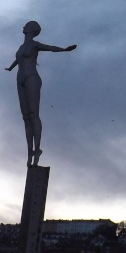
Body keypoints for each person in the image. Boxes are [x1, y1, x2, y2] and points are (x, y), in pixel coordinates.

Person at [5, 21, 76, 166]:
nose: (23, 27)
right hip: (20, 79)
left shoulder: (35, 45)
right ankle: (29, 151)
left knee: (34, 114)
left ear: (32, 30)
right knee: (26, 117)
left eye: (27, 25)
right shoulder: (21, 47)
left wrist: (65, 50)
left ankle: (37, 149)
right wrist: (10, 68)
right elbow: (18, 60)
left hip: (32, 78)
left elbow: (50, 48)